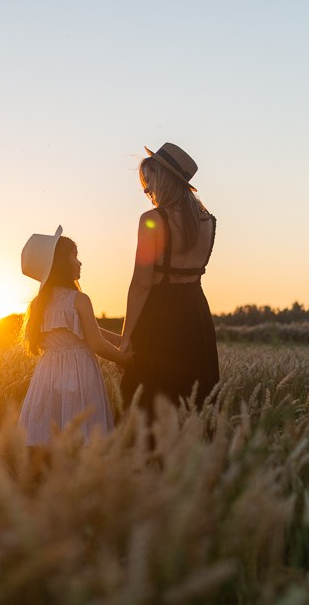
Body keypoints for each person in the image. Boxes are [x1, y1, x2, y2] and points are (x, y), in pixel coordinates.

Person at [119, 142, 219, 416]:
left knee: (149, 403)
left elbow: (141, 283)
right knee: (194, 401)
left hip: (159, 318)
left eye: (149, 181)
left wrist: (126, 339)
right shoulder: (208, 222)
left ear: (164, 179)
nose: (146, 189)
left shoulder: (152, 220)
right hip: (196, 316)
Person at [18, 226, 133, 445]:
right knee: (83, 438)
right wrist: (125, 359)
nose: (80, 262)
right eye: (75, 257)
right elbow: (96, 342)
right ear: (60, 263)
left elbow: (79, 330)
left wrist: (118, 340)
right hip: (80, 375)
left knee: (50, 438)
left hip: (47, 377)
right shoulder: (79, 299)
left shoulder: (39, 305)